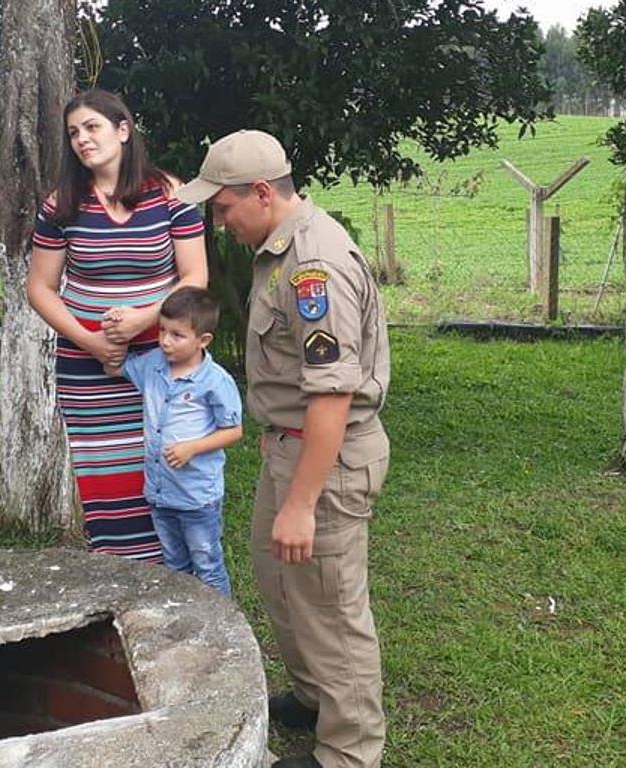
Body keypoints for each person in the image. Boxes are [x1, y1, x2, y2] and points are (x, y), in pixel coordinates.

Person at [177, 130, 391, 768]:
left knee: (329, 605)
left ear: (262, 192)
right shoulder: (277, 247)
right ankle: (315, 697)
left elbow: (331, 398)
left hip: (327, 456)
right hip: (288, 448)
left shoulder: (312, 265)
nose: (217, 221)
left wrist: (301, 503)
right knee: (279, 582)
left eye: (222, 207)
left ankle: (349, 752)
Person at [27, 90, 207, 562]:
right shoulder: (62, 204)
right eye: (73, 133)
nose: (82, 140)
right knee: (108, 479)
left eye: (92, 127)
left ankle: (177, 586)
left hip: (165, 358)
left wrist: (141, 322)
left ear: (123, 130)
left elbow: (195, 276)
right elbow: (40, 288)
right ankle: (120, 586)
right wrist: (91, 342)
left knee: (170, 465)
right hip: (91, 370)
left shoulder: (169, 192)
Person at [106, 286, 243, 595]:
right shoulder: (152, 365)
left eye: (177, 335)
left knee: (207, 564)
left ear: (203, 340)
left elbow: (234, 431)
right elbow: (113, 365)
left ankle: (220, 628)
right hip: (159, 493)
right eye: (162, 331)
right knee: (174, 564)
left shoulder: (215, 381)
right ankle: (183, 621)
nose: (165, 341)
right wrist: (115, 327)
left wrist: (192, 447)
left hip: (197, 497)